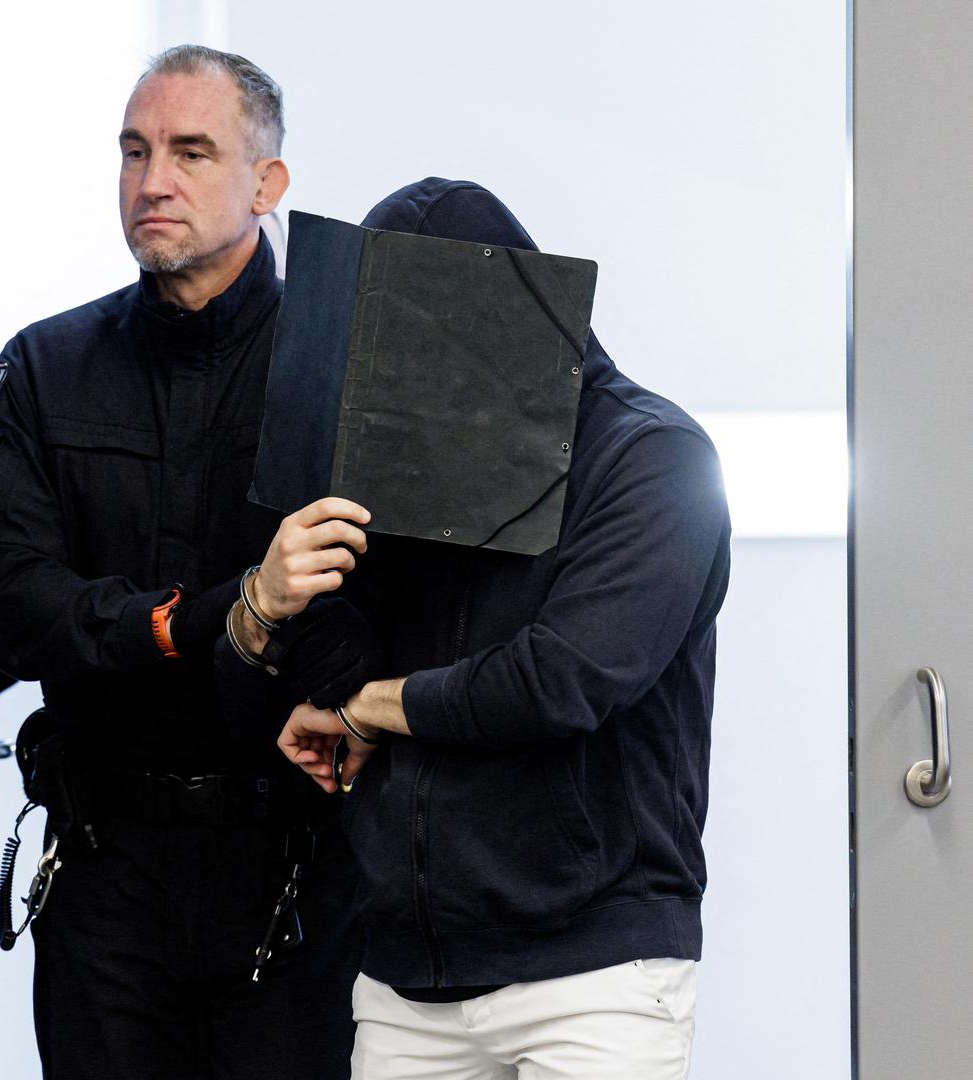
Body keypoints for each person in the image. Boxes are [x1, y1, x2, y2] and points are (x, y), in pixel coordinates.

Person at [225, 178, 731, 1079]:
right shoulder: (400, 453)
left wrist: (370, 711)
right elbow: (341, 640)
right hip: (405, 979)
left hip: (596, 976)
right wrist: (277, 610)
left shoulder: (655, 460)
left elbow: (561, 678)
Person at [0, 45, 361, 1080]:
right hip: (107, 868)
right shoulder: (46, 366)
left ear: (268, 186)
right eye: (134, 151)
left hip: (292, 864)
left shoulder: (341, 363)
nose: (152, 179)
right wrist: (169, 624)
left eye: (190, 151)